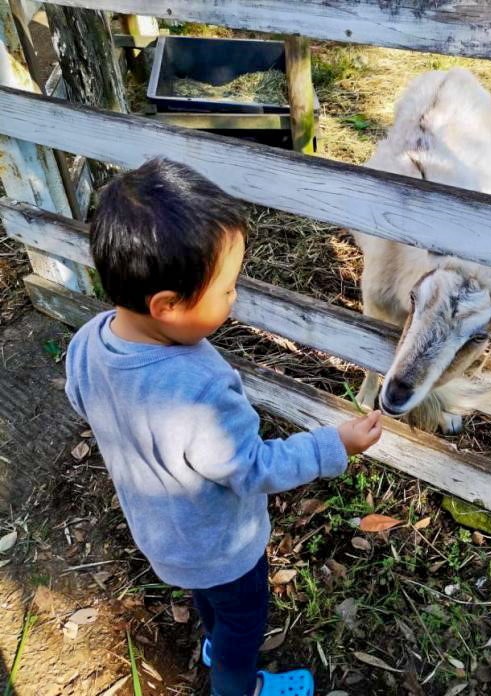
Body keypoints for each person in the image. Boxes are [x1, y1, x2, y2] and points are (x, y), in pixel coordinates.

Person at [64, 158, 383, 696]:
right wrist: (336, 443)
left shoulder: (92, 339)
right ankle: (238, 685)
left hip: (162, 535)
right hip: (222, 548)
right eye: (227, 288)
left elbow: (82, 401)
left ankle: (212, 639)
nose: (235, 299)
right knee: (241, 620)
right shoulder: (199, 389)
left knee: (206, 599)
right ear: (166, 306)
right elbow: (253, 468)